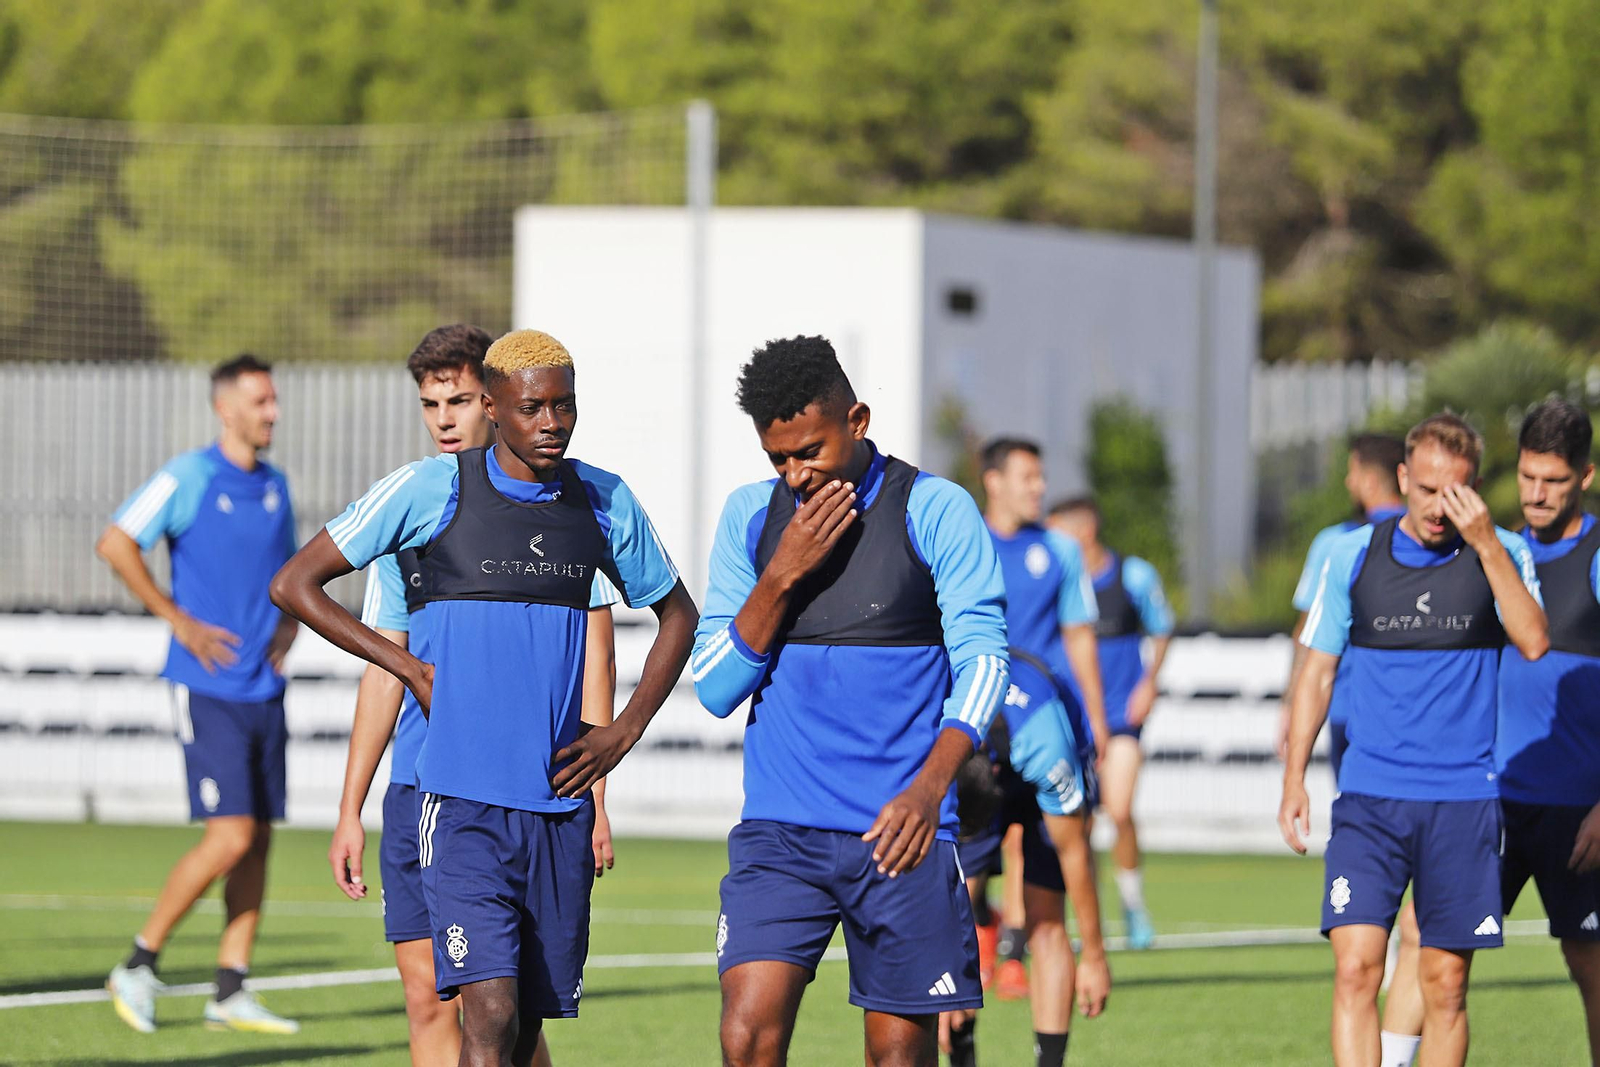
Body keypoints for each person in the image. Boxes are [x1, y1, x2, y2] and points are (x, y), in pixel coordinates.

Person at [271, 329, 697, 1067]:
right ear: (496, 408)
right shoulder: (429, 490)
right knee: (487, 1010)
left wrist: (622, 731)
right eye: (534, 408)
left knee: (527, 1028)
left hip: (557, 812)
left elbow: (678, 614)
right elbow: (295, 583)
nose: (552, 422)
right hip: (458, 804)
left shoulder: (602, 499)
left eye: (565, 407)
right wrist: (409, 667)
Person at [692, 335, 1009, 1067]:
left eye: (811, 451)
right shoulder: (751, 517)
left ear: (857, 420)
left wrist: (931, 790)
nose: (796, 475)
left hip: (903, 831)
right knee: (744, 1034)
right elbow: (714, 687)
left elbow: (985, 662)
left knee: (898, 1055)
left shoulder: (935, 509)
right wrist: (779, 577)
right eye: (779, 459)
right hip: (781, 834)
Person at [324, 325, 623, 1067]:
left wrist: (599, 796)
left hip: (526, 788)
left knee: (506, 1011)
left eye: (458, 399)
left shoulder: (565, 509)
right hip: (421, 788)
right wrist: (349, 806)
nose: (444, 419)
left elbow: (596, 651)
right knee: (431, 994)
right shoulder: (413, 511)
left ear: (494, 401)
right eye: (431, 404)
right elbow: (386, 665)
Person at [1280, 412, 1547, 1067]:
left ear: (1476, 488)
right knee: (1356, 970)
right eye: (1425, 489)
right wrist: (1292, 778)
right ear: (1402, 478)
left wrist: (1484, 541)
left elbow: (1534, 640)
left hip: (1462, 802)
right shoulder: (1351, 555)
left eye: (1452, 491)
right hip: (1371, 799)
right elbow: (1315, 672)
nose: (1437, 506)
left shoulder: (1501, 553)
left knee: (1446, 986)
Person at [101, 354, 301, 1035]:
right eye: (261, 400)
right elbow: (116, 540)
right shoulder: (189, 475)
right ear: (226, 407)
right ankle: (139, 961)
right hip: (207, 686)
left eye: (274, 400)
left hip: (264, 689)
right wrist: (175, 617)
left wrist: (290, 626)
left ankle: (230, 985)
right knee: (229, 835)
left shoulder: (276, 485)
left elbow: (292, 572)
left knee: (259, 841)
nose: (272, 411)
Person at [957, 438, 1110, 1062]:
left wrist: (1094, 726)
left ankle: (1051, 1057)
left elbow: (1079, 641)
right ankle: (959, 1042)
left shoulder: (1061, 550)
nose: (1038, 488)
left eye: (1042, 478)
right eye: (1027, 477)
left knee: (1050, 909)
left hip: (1047, 735)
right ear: (993, 481)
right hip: (974, 745)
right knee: (959, 905)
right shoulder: (962, 541)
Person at [1279, 434, 1424, 1066]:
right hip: (1377, 728)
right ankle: (1387, 946)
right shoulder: (1355, 547)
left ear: (1372, 476)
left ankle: (1384, 945)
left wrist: (1292, 717)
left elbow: (1307, 644)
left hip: (1357, 725)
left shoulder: (1337, 546)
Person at [943, 650, 1108, 1067]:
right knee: (953, 918)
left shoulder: (1046, 747)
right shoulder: (934, 727)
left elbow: (1074, 852)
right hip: (969, 759)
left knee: (1045, 918)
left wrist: (1094, 956)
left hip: (1042, 744)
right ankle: (963, 1056)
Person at [1498, 398, 1600, 1064]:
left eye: (1553, 481)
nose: (1537, 494)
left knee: (1589, 966)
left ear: (1584, 478)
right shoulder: (1495, 550)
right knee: (1431, 944)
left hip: (1577, 808)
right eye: (1528, 477)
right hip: (1490, 796)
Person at [1048, 496, 1175, 950]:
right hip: (1069, 718)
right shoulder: (1056, 581)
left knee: (1118, 811)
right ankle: (1089, 917)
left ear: (1083, 530)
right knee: (1076, 824)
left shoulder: (1133, 575)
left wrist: (1150, 682)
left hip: (1121, 717)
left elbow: (1162, 629)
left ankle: (1133, 903)